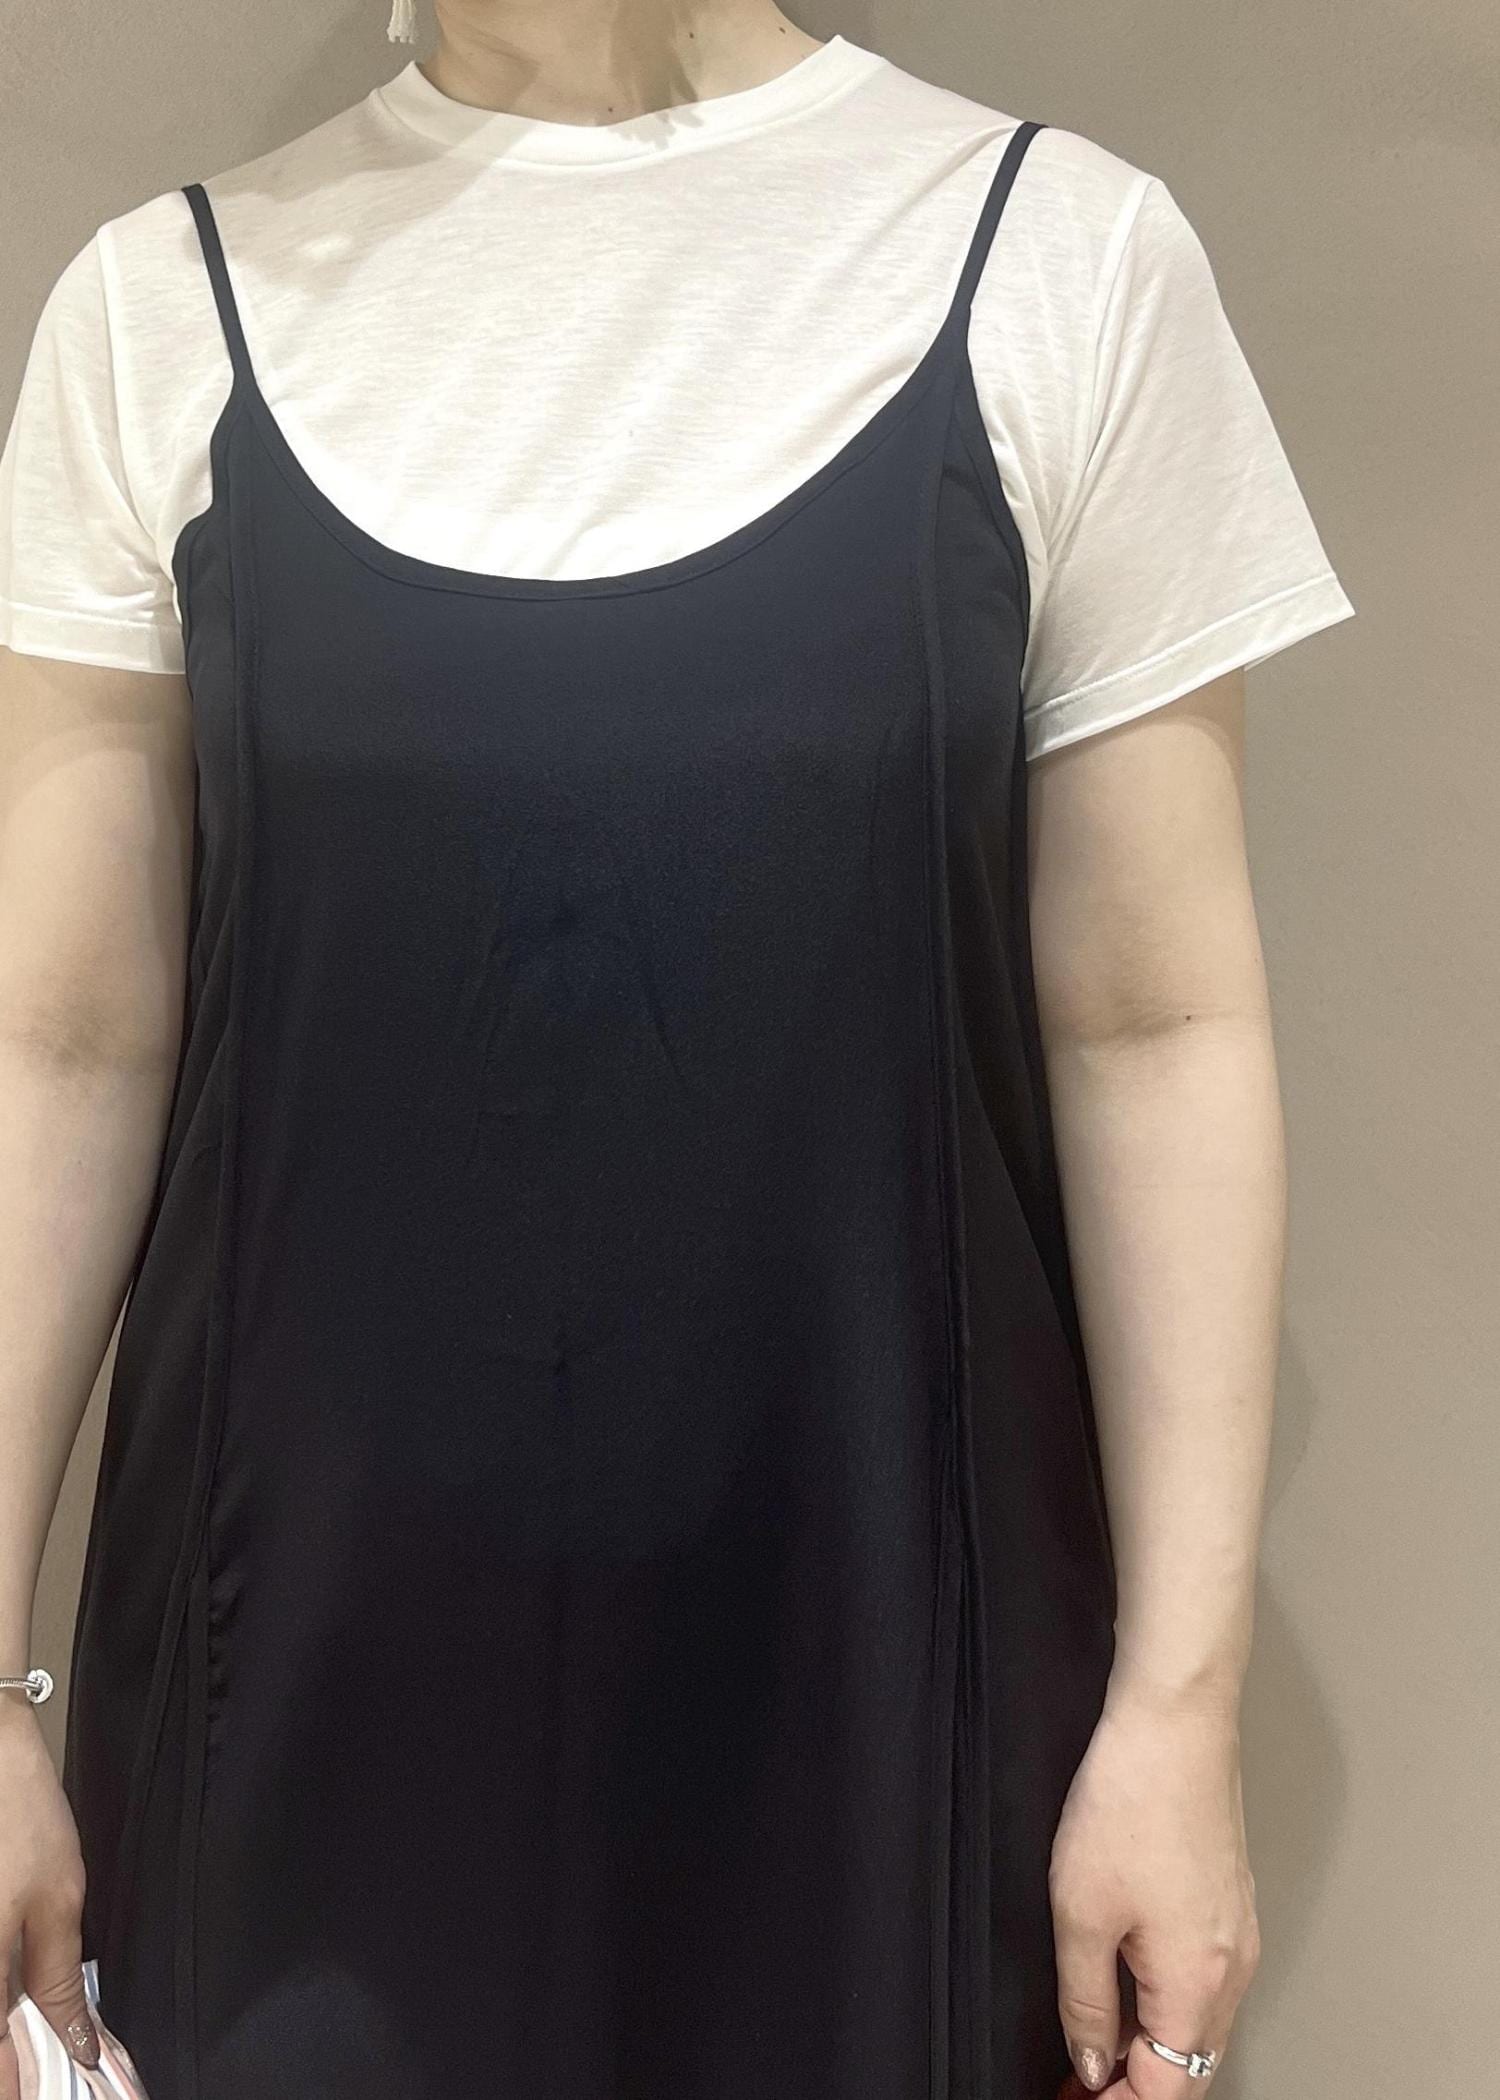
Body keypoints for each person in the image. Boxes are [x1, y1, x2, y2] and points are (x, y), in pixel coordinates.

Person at [0, 5, 1355, 2097]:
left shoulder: (1059, 260)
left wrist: (1179, 1711)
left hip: (893, 1716)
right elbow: (63, 1039)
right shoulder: (156, 311)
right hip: (285, 1726)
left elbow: (1154, 1020)